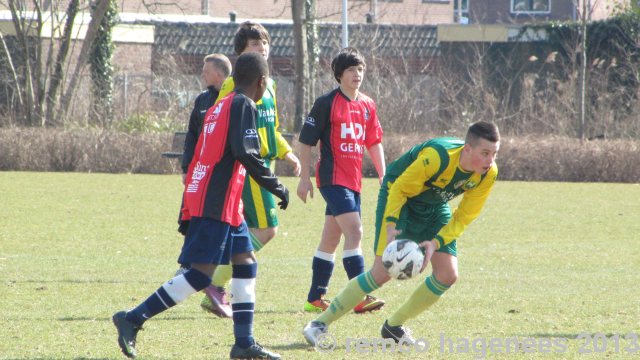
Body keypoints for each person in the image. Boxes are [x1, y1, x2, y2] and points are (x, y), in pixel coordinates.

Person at [112, 52, 288, 360]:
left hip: (220, 200)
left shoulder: (221, 103)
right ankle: (132, 318)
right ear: (261, 82)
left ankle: (244, 342)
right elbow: (246, 153)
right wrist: (276, 186)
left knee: (246, 261)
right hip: (216, 201)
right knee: (201, 274)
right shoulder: (244, 104)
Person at [303, 121, 500, 346]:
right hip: (400, 196)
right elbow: (399, 189)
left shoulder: (488, 173)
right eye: (485, 153)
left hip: (434, 206)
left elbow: (465, 215)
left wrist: (436, 242)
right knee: (382, 273)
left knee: (447, 274)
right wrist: (391, 225)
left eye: (494, 153)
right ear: (467, 149)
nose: (490, 160)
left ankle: (394, 327)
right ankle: (319, 324)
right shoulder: (437, 157)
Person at [200, 21, 301, 318]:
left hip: (265, 163)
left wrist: (288, 153)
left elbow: (272, 128)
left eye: (265, 43)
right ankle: (215, 282)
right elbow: (219, 122)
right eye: (255, 45)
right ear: (242, 52)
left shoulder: (269, 84)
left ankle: (214, 283)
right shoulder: (234, 84)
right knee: (267, 230)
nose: (262, 49)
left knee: (242, 232)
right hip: (249, 166)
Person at [296, 47, 386, 314]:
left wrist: (384, 175)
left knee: (331, 239)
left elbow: (374, 141)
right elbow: (305, 141)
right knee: (355, 231)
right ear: (339, 74)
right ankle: (358, 296)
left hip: (353, 182)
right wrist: (304, 179)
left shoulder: (368, 105)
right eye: (351, 70)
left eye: (360, 69)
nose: (357, 74)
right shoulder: (326, 103)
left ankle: (315, 298)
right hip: (332, 179)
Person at [176, 53, 232, 274]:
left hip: (222, 175)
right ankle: (187, 265)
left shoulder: (234, 98)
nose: (202, 74)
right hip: (198, 171)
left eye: (206, 70)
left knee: (217, 222)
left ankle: (205, 270)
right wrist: (186, 166)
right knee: (189, 218)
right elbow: (192, 135)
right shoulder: (202, 100)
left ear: (219, 73)